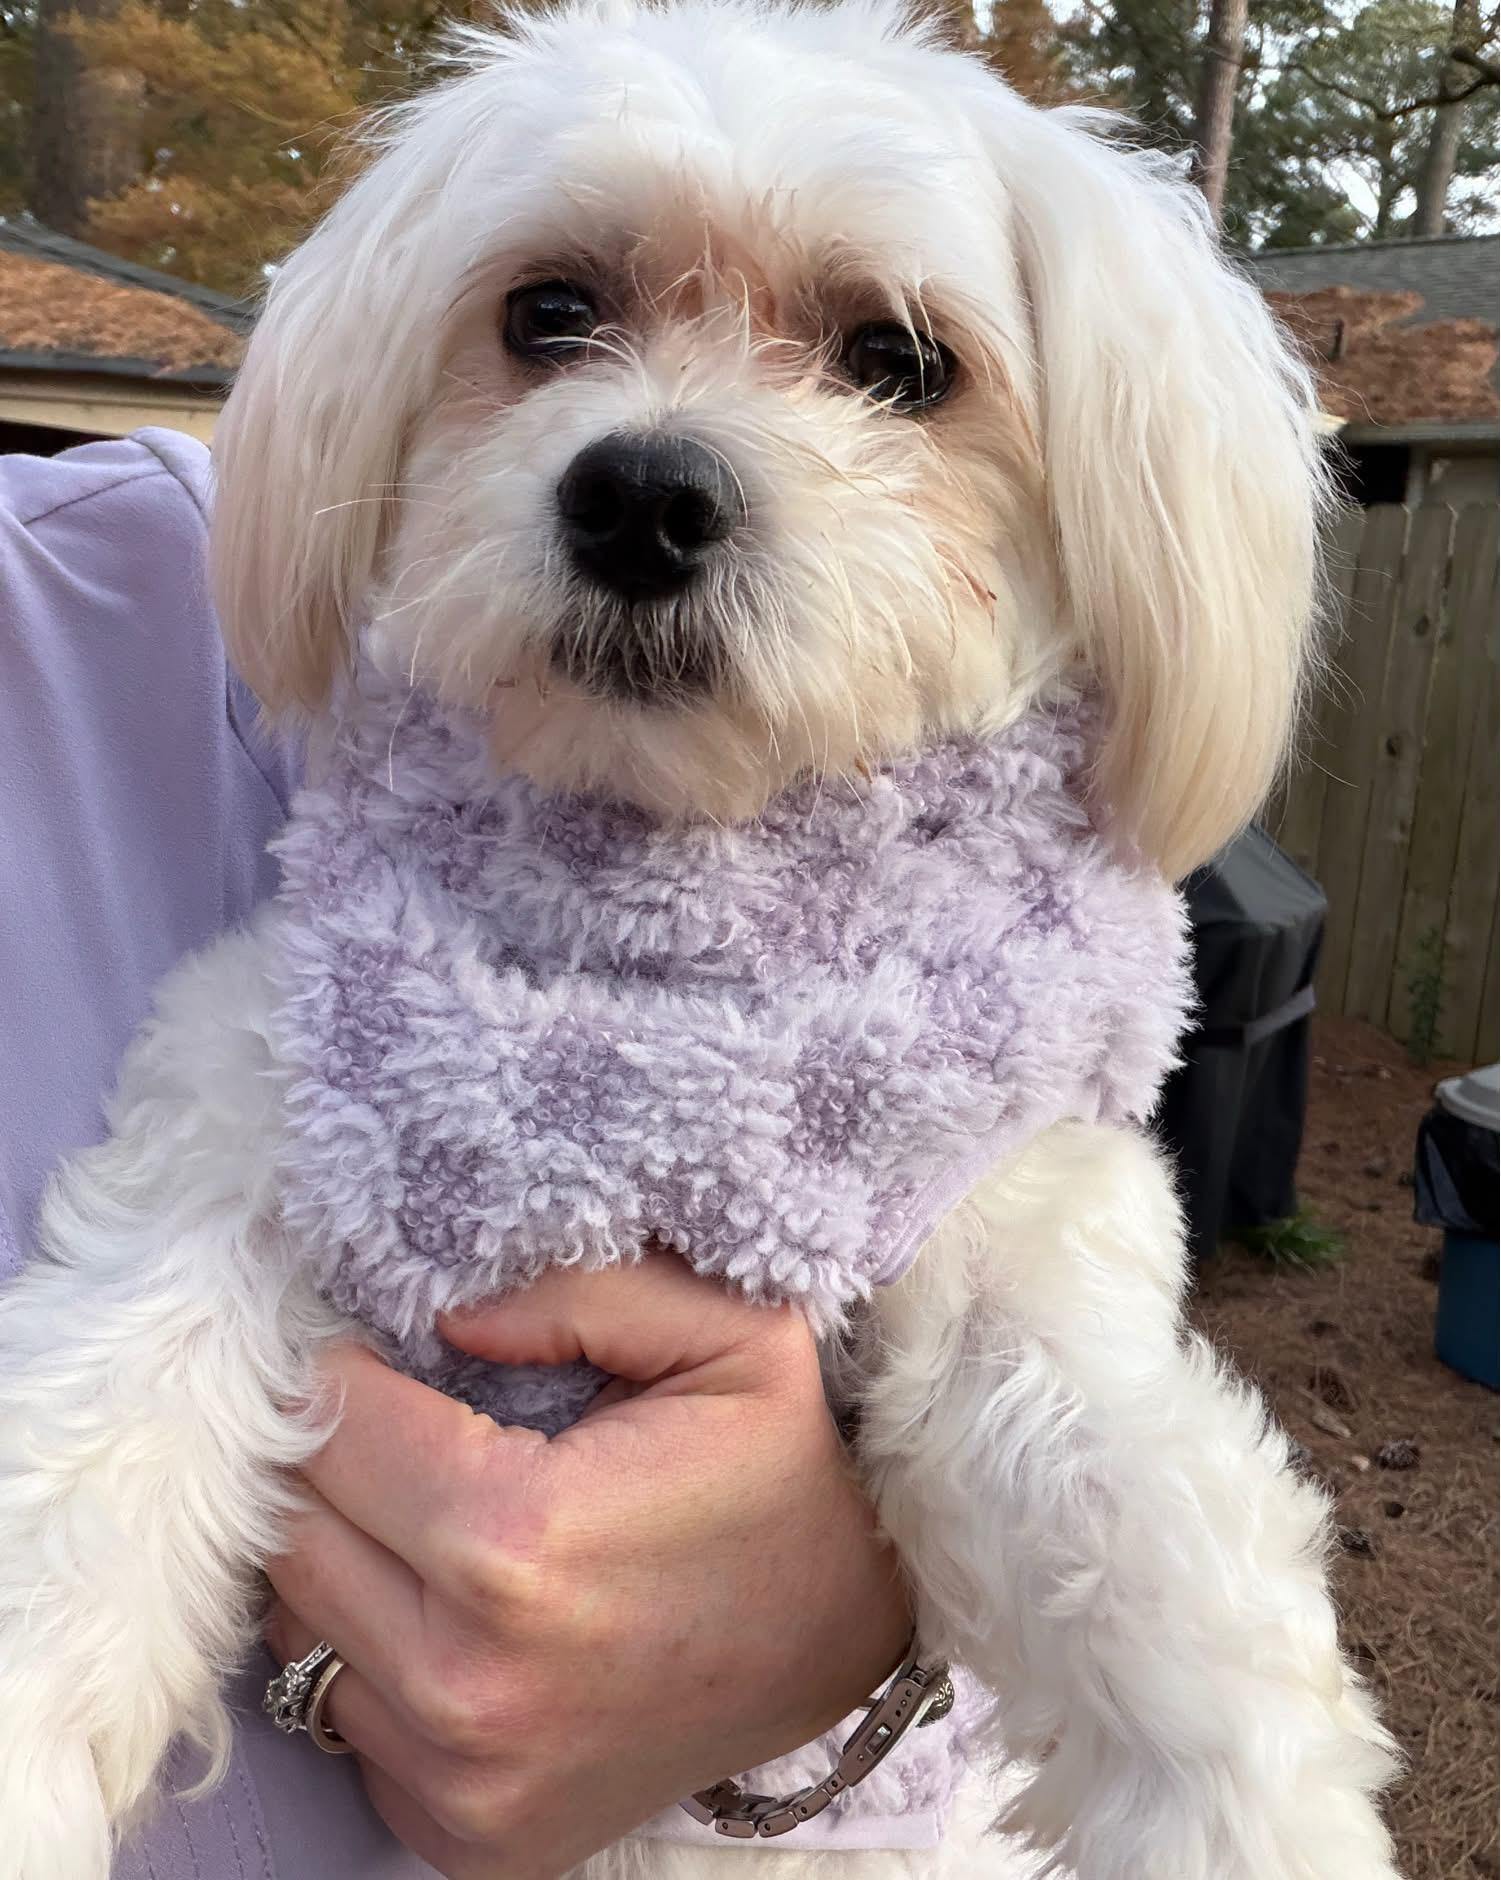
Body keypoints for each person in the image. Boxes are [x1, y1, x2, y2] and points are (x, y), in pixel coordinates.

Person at [0, 428, 912, 1879]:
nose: (653, 459)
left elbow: (926, 1172)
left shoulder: (219, 575)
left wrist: (879, 1597)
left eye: (889, 367)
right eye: (553, 320)